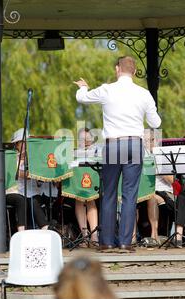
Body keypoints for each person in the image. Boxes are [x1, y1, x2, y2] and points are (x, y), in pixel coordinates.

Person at [74, 56, 161, 253]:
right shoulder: (144, 93)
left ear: (117, 69)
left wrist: (83, 87)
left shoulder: (107, 89)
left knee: (109, 193)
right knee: (130, 195)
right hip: (134, 144)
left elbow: (82, 98)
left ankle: (106, 242)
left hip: (113, 145)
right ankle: (125, 242)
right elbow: (156, 123)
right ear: (135, 72)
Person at [74, 127, 98, 246]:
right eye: (82, 139)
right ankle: (84, 235)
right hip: (78, 185)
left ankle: (94, 235)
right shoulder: (74, 153)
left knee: (91, 199)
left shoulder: (96, 151)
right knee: (79, 198)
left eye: (88, 139)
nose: (85, 141)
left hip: (93, 184)